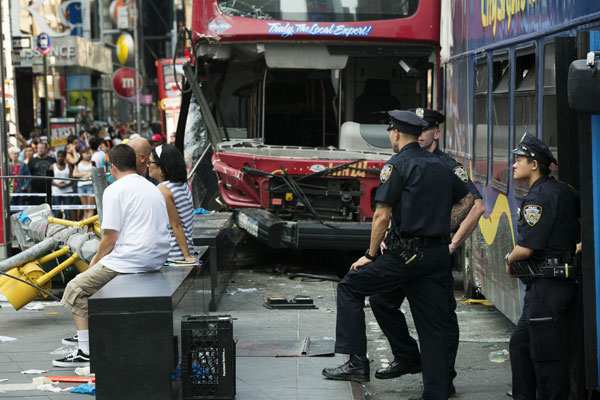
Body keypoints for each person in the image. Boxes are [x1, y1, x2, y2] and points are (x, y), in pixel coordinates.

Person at [322, 110, 472, 400]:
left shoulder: (397, 165)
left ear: (396, 134)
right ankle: (436, 392)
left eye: (391, 131)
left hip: (406, 255)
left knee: (351, 286)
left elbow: (381, 215)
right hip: (437, 254)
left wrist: (370, 253)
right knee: (434, 324)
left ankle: (356, 362)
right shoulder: (442, 165)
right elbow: (466, 199)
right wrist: (440, 225)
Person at [369, 109, 483, 396]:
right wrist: (392, 235)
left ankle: (443, 379)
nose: (420, 134)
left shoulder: (446, 164)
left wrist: (449, 239)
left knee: (441, 319)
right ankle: (407, 357)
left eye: (426, 128)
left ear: (436, 133)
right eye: (417, 128)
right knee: (382, 300)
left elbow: (475, 204)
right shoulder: (406, 160)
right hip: (401, 252)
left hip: (432, 254)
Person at [53, 144, 170, 367]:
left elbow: (109, 237)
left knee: (75, 289)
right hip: (156, 256)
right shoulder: (151, 187)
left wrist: (95, 260)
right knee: (98, 286)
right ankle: (97, 336)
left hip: (134, 258)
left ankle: (86, 351)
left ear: (112, 166)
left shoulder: (114, 190)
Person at [505, 133, 579, 399]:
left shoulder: (537, 198)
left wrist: (509, 259)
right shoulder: (563, 189)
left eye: (519, 159)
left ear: (534, 164)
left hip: (547, 287)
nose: (514, 164)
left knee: (546, 357)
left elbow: (526, 248)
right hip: (557, 284)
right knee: (520, 344)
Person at [148, 144, 196, 262]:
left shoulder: (163, 190)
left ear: (161, 167)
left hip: (174, 255)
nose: (148, 166)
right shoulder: (182, 185)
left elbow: (176, 225)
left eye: (150, 162)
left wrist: (187, 256)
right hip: (185, 250)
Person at [73, 147, 96, 219]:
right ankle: (87, 225)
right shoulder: (78, 163)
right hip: (80, 186)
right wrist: (87, 174)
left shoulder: (93, 162)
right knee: (85, 208)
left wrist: (81, 174)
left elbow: (93, 173)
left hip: (90, 185)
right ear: (82, 154)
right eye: (87, 153)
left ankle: (88, 224)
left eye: (90, 153)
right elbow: (74, 174)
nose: (89, 155)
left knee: (90, 208)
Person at [51, 150, 74, 220]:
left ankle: (69, 227)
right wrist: (57, 185)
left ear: (65, 157)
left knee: (68, 211)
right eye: (59, 156)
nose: (60, 158)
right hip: (56, 191)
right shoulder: (52, 166)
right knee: (57, 211)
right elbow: (49, 179)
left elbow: (72, 179)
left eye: (62, 156)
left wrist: (66, 185)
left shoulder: (69, 166)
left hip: (67, 191)